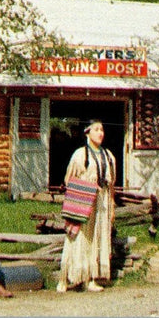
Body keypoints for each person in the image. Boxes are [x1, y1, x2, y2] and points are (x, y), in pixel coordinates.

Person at [56, 120, 116, 293]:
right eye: (96, 129)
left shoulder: (109, 156)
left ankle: (91, 278)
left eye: (102, 129)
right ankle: (65, 278)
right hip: (83, 201)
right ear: (87, 132)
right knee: (77, 238)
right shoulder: (80, 155)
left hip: (102, 202)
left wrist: (111, 205)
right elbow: (69, 180)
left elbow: (111, 185)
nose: (100, 133)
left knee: (97, 239)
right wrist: (87, 186)